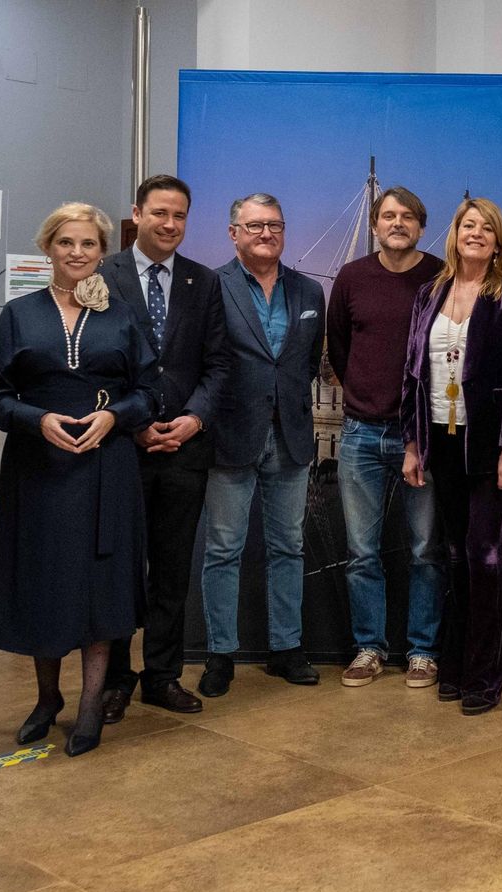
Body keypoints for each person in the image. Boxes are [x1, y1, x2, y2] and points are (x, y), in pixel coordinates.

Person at [0, 203, 159, 758]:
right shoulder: (18, 313)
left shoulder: (122, 315)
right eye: (66, 243)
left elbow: (150, 391)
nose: (77, 253)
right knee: (44, 578)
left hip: (107, 465)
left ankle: (89, 706)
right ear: (48, 247)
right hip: (39, 465)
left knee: (100, 583)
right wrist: (36, 420)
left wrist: (117, 417)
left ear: (101, 252)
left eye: (88, 244)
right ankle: (46, 699)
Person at [100, 174, 229, 724]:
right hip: (120, 449)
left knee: (172, 571)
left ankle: (161, 676)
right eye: (159, 213)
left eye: (179, 216)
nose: (169, 224)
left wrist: (194, 419)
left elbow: (219, 364)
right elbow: (92, 363)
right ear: (137, 212)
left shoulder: (204, 282)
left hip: (183, 450)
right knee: (117, 571)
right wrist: (132, 425)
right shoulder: (103, 275)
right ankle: (111, 682)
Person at [401, 197, 502, 716]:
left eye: (486, 228)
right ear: (454, 234)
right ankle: (454, 664)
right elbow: (412, 375)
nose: (475, 233)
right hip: (440, 440)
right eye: (467, 225)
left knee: (485, 556)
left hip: (490, 447)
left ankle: (484, 675)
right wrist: (413, 443)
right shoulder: (427, 294)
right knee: (455, 556)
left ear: (498, 240)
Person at [198, 193, 326, 696]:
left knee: (287, 548)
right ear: (234, 233)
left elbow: (308, 362)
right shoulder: (213, 287)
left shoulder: (310, 291)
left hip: (290, 437)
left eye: (274, 224)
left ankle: (286, 649)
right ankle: (220, 655)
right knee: (223, 549)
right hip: (230, 436)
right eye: (254, 226)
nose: (266, 233)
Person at [328, 186, 448, 691]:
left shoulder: (440, 277)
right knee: (362, 551)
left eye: (407, 216)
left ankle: (423, 651)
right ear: (375, 224)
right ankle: (369, 648)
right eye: (388, 215)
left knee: (425, 549)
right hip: (360, 433)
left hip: (421, 434)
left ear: (421, 226)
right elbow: (336, 347)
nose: (397, 223)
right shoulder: (352, 277)